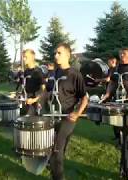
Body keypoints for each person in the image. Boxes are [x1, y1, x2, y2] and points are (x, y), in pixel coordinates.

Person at [48, 43, 88, 180]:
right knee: (59, 147)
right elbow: (48, 92)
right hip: (53, 115)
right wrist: (40, 102)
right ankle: (54, 164)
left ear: (68, 55)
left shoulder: (75, 74)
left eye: (59, 53)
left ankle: (58, 176)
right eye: (55, 53)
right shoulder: (54, 73)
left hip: (68, 117)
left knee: (56, 148)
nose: (55, 55)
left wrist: (77, 113)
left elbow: (84, 98)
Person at [101, 48, 128, 143]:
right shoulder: (115, 68)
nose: (121, 55)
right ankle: (118, 138)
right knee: (116, 118)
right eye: (120, 54)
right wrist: (107, 94)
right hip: (117, 97)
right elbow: (112, 83)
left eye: (124, 53)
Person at [22, 49, 45, 115]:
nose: (24, 59)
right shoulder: (26, 71)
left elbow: (44, 90)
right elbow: (26, 87)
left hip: (36, 103)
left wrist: (35, 100)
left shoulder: (38, 71)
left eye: (26, 57)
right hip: (27, 101)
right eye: (23, 57)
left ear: (32, 57)